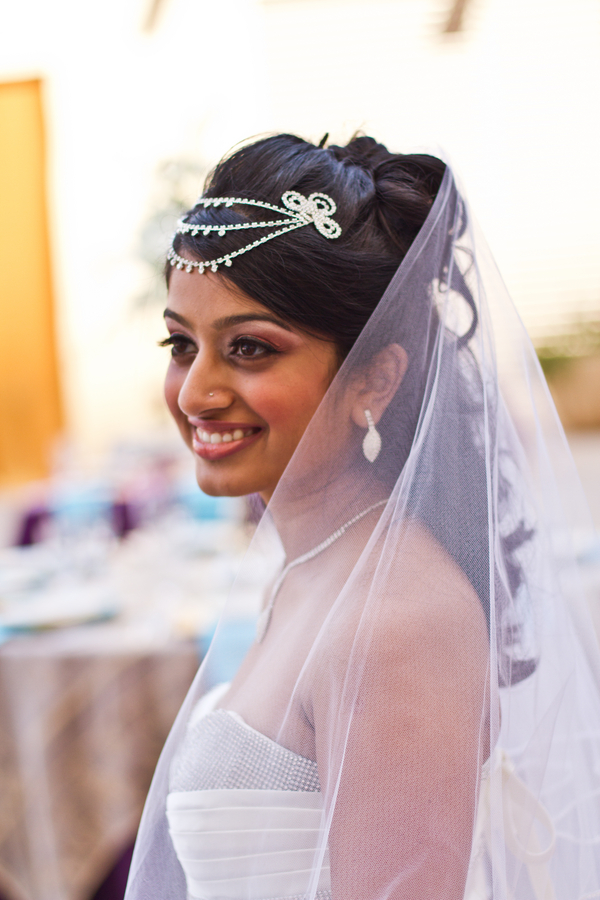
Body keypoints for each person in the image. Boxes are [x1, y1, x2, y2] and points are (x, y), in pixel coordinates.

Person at [125, 134, 600, 900]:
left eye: (248, 348)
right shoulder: (320, 560)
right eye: (181, 344)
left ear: (373, 377)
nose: (194, 392)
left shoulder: (397, 620)